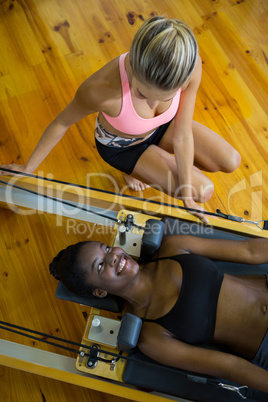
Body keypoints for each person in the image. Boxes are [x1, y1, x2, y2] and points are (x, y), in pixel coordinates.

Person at [0, 16, 241, 223]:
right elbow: (62, 123)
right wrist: (27, 168)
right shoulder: (100, 89)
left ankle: (155, 161)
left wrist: (185, 195)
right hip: (124, 147)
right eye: (142, 94)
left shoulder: (190, 64)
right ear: (133, 68)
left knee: (231, 160)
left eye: (164, 97)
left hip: (162, 128)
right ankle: (137, 168)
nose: (151, 102)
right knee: (204, 190)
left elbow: (183, 133)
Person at [49, 234, 268, 394]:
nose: (113, 257)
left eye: (106, 249)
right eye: (99, 266)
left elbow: (249, 250)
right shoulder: (151, 336)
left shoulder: (174, 247)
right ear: (99, 292)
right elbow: (230, 367)